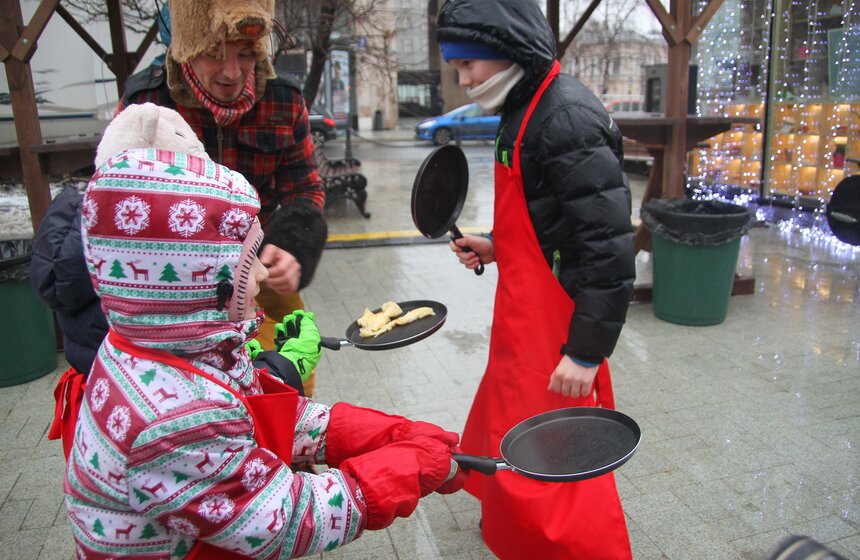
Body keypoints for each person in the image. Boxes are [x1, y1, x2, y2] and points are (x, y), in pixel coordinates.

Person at [65, 133, 467, 558]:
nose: (261, 274)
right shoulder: (172, 423)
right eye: (246, 262)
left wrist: (381, 434)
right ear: (195, 282)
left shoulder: (175, 345)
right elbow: (280, 518)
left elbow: (252, 414)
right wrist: (402, 470)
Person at [435, 0, 636, 558]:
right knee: (515, 425)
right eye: (456, 67)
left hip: (558, 327)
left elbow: (608, 248)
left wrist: (586, 353)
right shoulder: (523, 107)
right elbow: (552, 219)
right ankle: (515, 528)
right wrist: (496, 245)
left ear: (508, 51)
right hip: (520, 318)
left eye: (468, 64)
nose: (464, 80)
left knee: (558, 445)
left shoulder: (565, 118)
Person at [117, 0, 327, 395]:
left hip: (262, 271)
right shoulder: (147, 104)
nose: (232, 72)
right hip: (177, 285)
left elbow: (305, 188)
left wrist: (293, 246)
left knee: (287, 384)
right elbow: (116, 201)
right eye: (214, 53)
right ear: (186, 48)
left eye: (246, 54)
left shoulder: (283, 99)